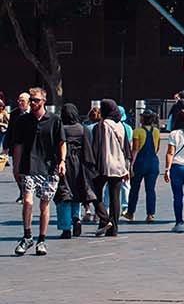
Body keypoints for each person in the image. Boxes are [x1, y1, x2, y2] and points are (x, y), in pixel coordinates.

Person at [9, 90, 64, 255]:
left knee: (44, 205)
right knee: (27, 201)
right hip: (28, 166)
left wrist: (62, 161)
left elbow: (62, 142)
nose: (32, 103)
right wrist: (16, 167)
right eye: (30, 100)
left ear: (44, 101)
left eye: (35, 100)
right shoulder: (23, 121)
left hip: (48, 168)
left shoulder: (54, 120)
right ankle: (27, 236)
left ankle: (42, 239)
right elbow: (18, 145)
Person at [90, 99, 132, 237]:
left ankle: (104, 218)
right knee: (115, 197)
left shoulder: (101, 125)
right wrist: (127, 167)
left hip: (104, 165)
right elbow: (127, 148)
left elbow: (96, 147)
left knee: (93, 192)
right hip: (119, 165)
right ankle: (113, 228)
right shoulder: (121, 126)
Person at [54, 104, 95, 239]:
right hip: (79, 164)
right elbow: (89, 150)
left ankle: (66, 227)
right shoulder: (83, 129)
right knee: (76, 193)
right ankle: (76, 217)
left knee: (63, 194)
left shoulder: (61, 129)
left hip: (63, 163)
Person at [124, 110, 163, 224]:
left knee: (134, 189)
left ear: (143, 119)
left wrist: (131, 165)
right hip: (153, 163)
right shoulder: (156, 131)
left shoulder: (137, 132)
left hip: (140, 163)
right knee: (150, 190)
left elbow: (135, 149)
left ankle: (130, 213)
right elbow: (157, 148)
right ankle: (150, 214)